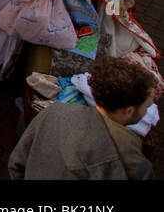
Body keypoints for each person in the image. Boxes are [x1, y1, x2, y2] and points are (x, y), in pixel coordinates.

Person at [9, 56, 156, 180]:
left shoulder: (56, 110)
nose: (148, 111)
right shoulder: (132, 162)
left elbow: (17, 163)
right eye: (147, 106)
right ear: (128, 111)